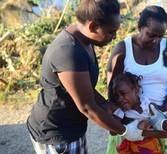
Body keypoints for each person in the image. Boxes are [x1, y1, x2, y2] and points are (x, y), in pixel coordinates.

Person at [26, 1, 144, 154]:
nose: (114, 37)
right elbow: (87, 107)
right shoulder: (68, 51)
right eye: (111, 32)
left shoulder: (84, 39)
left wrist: (105, 104)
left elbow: (83, 86)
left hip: (73, 126)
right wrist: (126, 131)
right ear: (93, 26)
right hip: (56, 133)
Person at [106, 5, 167, 154]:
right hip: (130, 125)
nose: (156, 40)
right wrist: (124, 123)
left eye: (160, 36)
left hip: (159, 123)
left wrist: (164, 109)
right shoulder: (123, 49)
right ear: (139, 27)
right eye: (151, 35)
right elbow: (112, 88)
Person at [111, 72, 167, 153]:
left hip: (153, 148)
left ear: (136, 90)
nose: (120, 99)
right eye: (116, 96)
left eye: (123, 93)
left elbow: (165, 133)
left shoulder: (147, 104)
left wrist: (142, 131)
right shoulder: (121, 112)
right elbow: (113, 132)